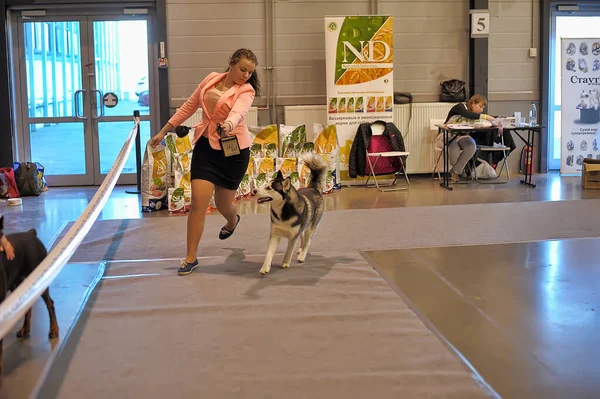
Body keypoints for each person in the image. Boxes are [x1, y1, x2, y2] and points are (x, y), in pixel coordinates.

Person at [150, 48, 261, 276]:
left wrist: (228, 125)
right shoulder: (210, 79)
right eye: (242, 69)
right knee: (199, 204)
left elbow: (238, 113)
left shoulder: (246, 90)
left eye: (250, 72)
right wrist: (163, 131)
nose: (246, 75)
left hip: (233, 151)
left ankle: (232, 221)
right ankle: (191, 257)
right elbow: (188, 107)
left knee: (223, 205)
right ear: (231, 63)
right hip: (205, 147)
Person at [440, 94, 496, 182]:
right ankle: (457, 167)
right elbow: (466, 114)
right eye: (480, 107)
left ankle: (455, 171)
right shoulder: (460, 107)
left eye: (483, 109)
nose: (481, 110)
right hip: (448, 134)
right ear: (473, 103)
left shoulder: (476, 116)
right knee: (454, 152)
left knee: (471, 146)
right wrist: (485, 116)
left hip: (461, 135)